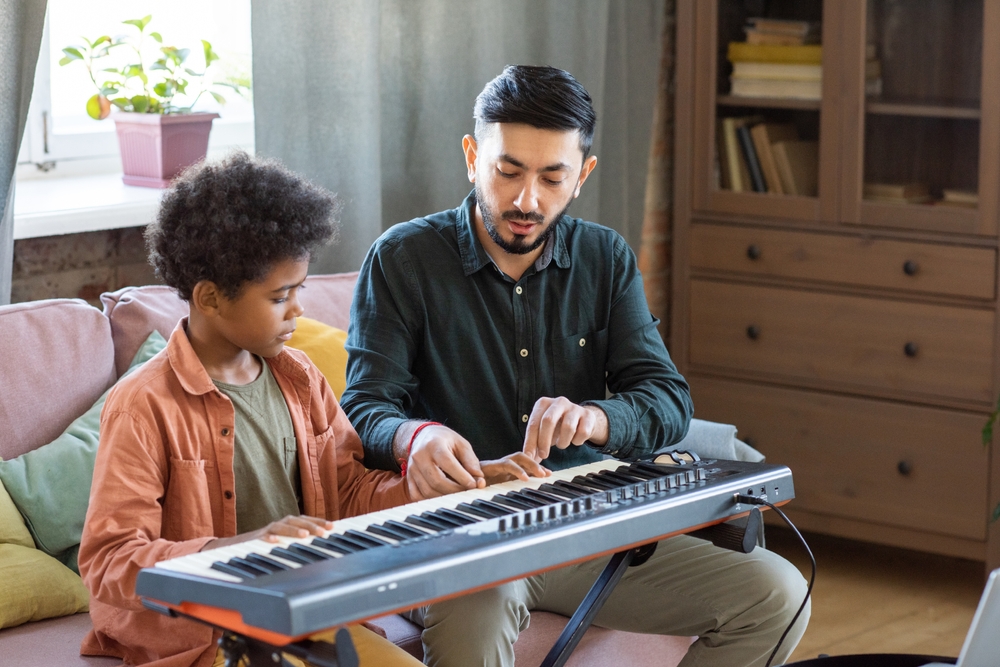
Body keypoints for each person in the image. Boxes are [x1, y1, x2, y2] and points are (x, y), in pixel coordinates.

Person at [341, 65, 810, 667]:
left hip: (583, 526)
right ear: (471, 156)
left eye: (552, 177)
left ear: (582, 175)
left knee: (778, 595)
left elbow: (666, 400)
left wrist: (593, 418)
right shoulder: (403, 258)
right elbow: (365, 405)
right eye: (507, 171)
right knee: (478, 614)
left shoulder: (604, 257)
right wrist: (415, 435)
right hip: (461, 535)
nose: (526, 199)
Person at [78, 152, 425, 667]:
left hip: (308, 622)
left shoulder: (300, 377)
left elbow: (348, 491)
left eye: (299, 290)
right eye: (280, 295)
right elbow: (109, 561)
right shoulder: (142, 405)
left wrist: (422, 482)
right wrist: (244, 548)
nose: (298, 310)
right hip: (207, 641)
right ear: (211, 298)